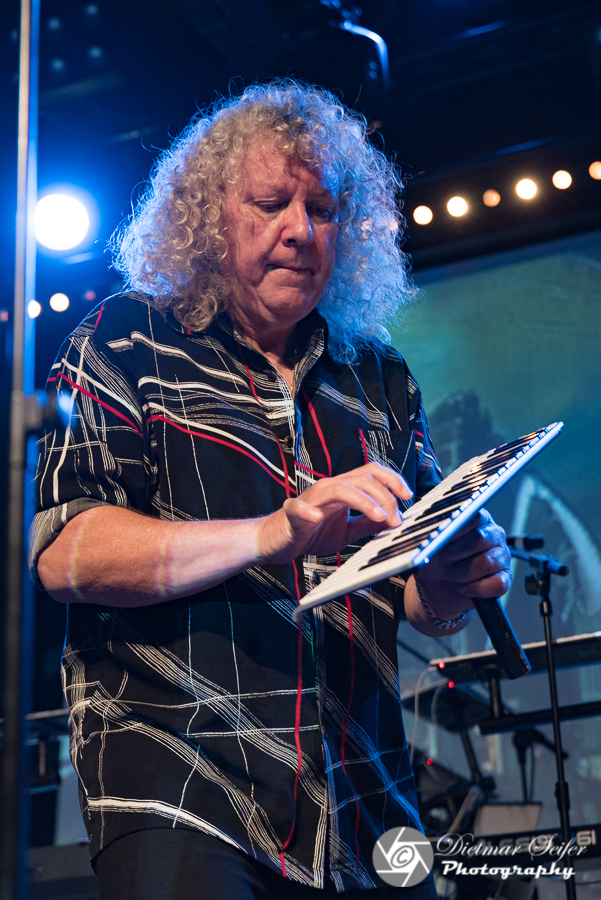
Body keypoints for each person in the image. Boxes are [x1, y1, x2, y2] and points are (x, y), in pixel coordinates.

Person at [31, 82, 511, 899]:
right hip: (181, 780)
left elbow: (418, 593)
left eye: (321, 209)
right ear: (210, 215)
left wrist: (450, 581)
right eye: (270, 203)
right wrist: (272, 533)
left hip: (363, 799)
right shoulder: (125, 338)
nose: (299, 230)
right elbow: (65, 553)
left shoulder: (379, 375)